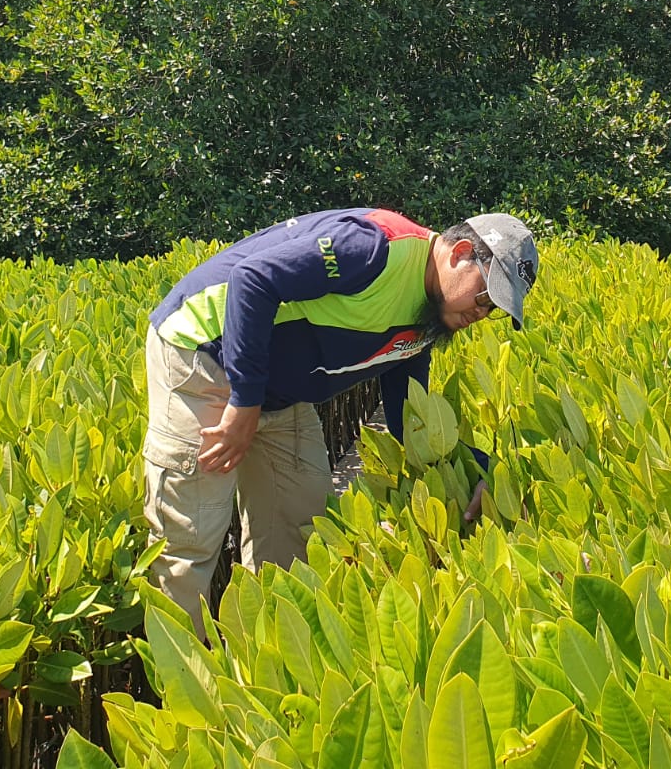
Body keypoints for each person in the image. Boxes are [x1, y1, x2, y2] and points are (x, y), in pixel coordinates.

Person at [142, 207, 539, 634]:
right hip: (203, 353)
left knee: (298, 529)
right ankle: (178, 685)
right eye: (485, 295)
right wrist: (244, 403)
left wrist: (481, 471)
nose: (482, 312)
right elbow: (252, 280)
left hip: (278, 392)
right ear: (460, 253)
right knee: (190, 537)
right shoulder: (372, 250)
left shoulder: (426, 322)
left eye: (494, 308)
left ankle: (271, 669)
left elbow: (409, 417)